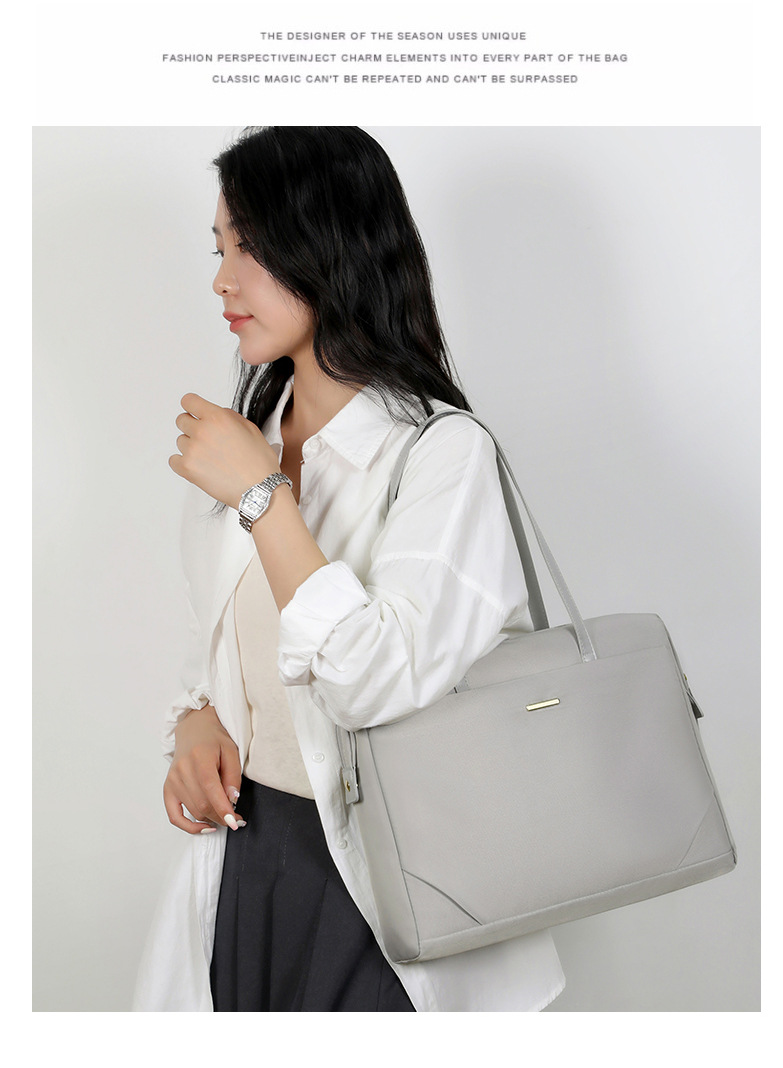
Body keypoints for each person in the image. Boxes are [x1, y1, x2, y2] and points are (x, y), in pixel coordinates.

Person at [133, 126, 566, 1012]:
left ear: (331, 245)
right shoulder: (249, 443)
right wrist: (197, 722)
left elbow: (376, 681)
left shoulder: (442, 454)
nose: (223, 280)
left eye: (251, 247)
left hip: (394, 882)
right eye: (219, 249)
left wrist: (264, 499)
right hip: (251, 857)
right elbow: (219, 642)